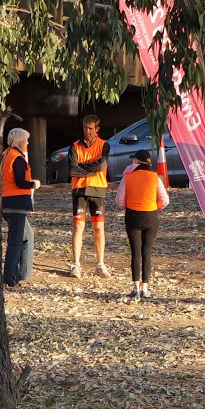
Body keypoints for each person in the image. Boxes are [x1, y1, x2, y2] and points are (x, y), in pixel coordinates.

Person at [114, 148, 169, 301]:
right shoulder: (155, 177)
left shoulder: (128, 177)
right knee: (147, 251)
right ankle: (145, 287)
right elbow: (165, 200)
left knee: (135, 251)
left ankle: (135, 286)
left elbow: (119, 200)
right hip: (151, 216)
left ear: (137, 162)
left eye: (133, 160)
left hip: (133, 216)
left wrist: (127, 205)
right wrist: (154, 206)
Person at [68, 113, 110, 279]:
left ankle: (100, 264)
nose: (87, 131)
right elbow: (72, 170)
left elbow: (101, 166)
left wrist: (82, 168)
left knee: (98, 228)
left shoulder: (104, 145)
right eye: (85, 128)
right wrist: (89, 169)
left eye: (90, 128)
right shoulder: (74, 146)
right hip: (79, 190)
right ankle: (76, 264)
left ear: (97, 129)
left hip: (98, 189)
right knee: (78, 227)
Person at [2, 125, 40, 287]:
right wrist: (34, 184)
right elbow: (20, 182)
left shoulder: (5, 155)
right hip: (15, 203)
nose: (27, 144)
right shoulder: (17, 158)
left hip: (8, 202)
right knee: (16, 241)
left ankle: (22, 273)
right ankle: (10, 277)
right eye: (26, 141)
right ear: (19, 143)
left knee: (27, 236)